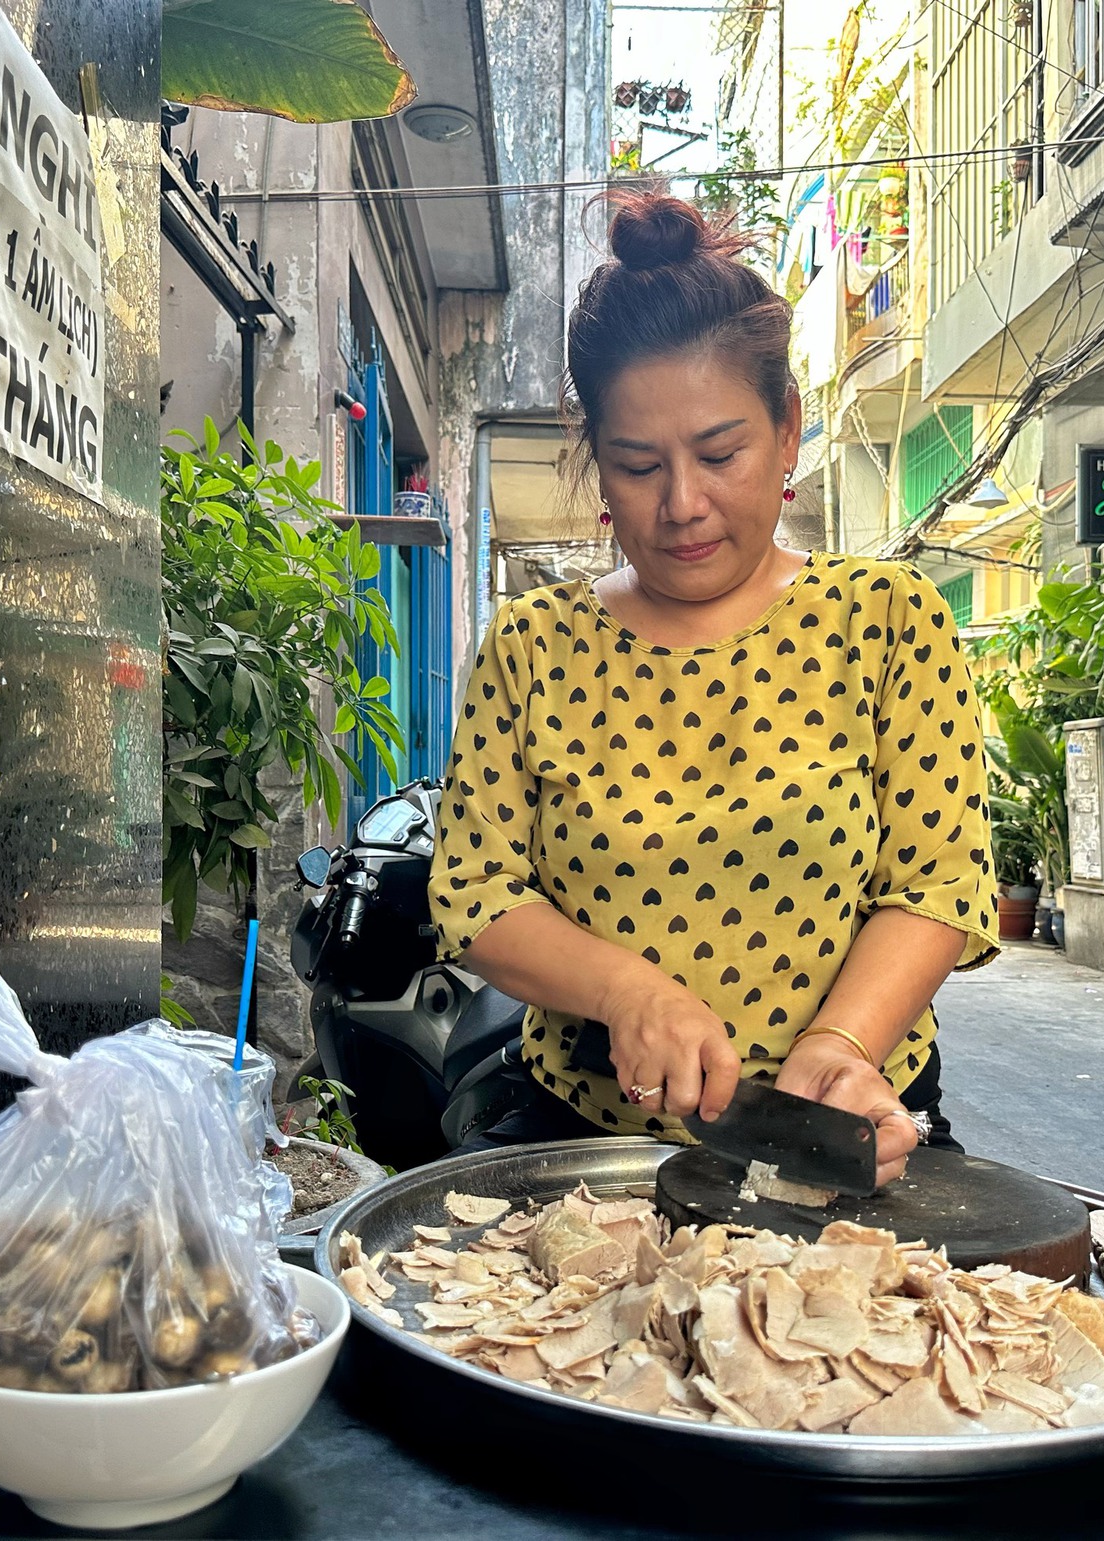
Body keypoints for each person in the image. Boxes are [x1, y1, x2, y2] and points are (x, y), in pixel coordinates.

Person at [427, 192, 997, 1186]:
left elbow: (937, 882)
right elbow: (473, 897)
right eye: (638, 464)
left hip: (839, 1130)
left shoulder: (886, 620)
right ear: (596, 464)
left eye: (719, 453)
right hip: (579, 1133)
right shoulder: (531, 647)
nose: (680, 504)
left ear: (785, 432)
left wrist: (843, 1044)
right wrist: (624, 988)